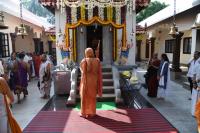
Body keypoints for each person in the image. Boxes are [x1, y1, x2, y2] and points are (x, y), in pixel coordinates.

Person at [79, 48, 102, 118]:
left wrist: (80, 68)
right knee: (92, 97)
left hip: (86, 82)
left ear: (86, 53)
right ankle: (92, 113)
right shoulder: (97, 61)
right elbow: (99, 72)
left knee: (84, 97)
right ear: (92, 53)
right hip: (94, 81)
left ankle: (84, 113)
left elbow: (83, 71)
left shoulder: (84, 60)